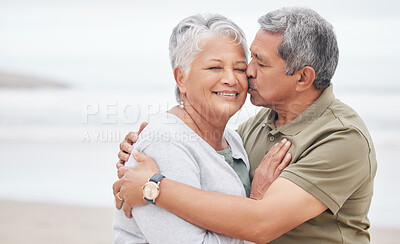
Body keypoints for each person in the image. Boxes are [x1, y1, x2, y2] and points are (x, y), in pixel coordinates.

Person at [114, 7, 377, 243]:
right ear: (181, 78)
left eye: (258, 63)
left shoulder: (341, 137)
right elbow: (200, 152)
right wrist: (141, 149)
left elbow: (260, 222)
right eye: (248, 60)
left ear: (302, 78)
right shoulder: (253, 129)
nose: (247, 72)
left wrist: (153, 187)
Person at [113, 14, 291, 244]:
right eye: (215, 67)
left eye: (238, 68)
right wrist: (256, 205)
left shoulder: (233, 140)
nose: (230, 79)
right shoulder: (165, 144)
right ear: (181, 79)